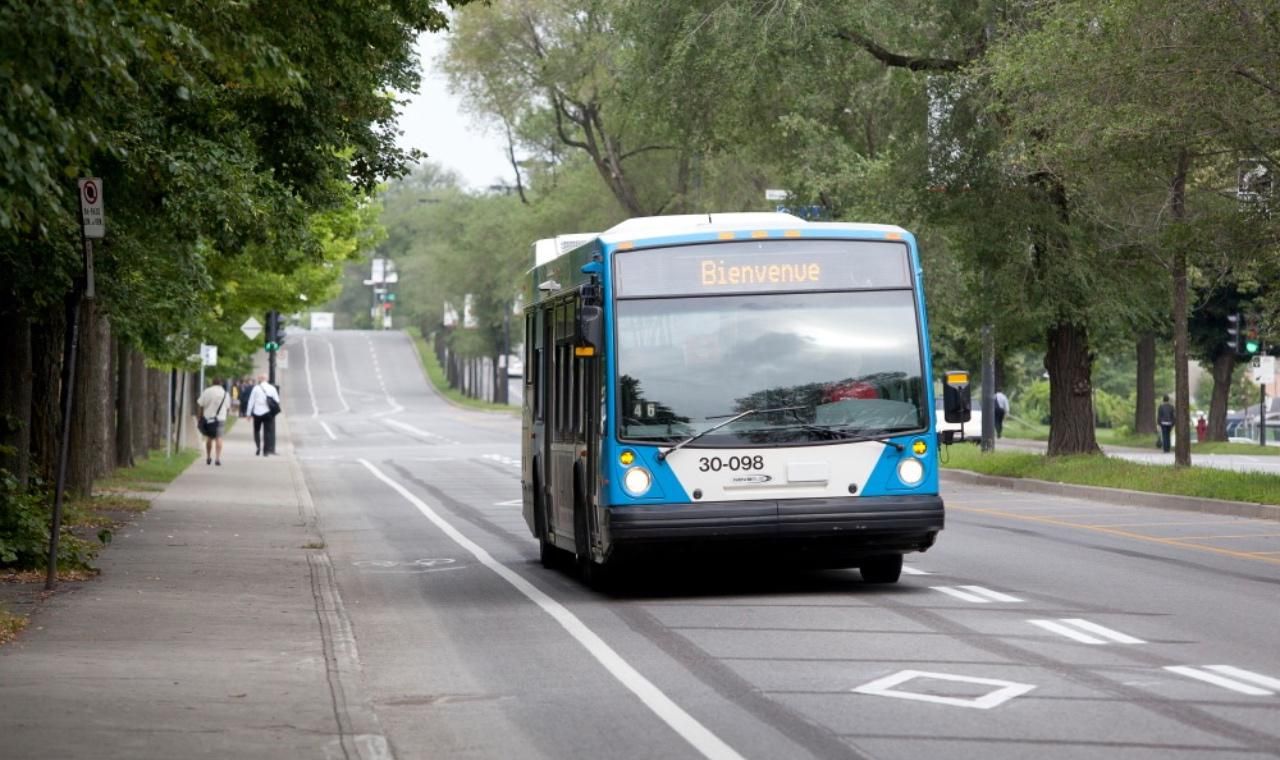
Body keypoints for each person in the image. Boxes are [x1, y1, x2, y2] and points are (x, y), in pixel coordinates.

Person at [195, 377, 230, 466]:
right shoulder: (225, 393)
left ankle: (208, 456)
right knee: (219, 438)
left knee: (209, 438)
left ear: (212, 382)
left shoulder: (207, 391)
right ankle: (217, 458)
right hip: (221, 418)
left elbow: (200, 404)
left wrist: (199, 417)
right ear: (221, 383)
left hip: (208, 418)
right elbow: (228, 407)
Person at [246, 374, 281, 456]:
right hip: (268, 413)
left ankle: (258, 447)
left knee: (256, 430)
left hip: (257, 413)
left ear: (260, 379)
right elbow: (277, 400)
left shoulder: (256, 388)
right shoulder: (272, 388)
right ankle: (266, 451)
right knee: (268, 432)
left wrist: (248, 414)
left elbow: (251, 401)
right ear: (267, 379)